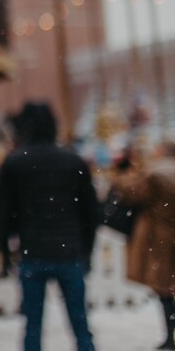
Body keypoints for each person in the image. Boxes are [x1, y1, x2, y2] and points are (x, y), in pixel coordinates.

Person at [0, 102, 99, 351]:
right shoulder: (73, 162)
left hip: (33, 252)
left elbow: (4, 214)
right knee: (80, 324)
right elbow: (90, 212)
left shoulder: (14, 164)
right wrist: (87, 251)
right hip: (70, 251)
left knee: (32, 327)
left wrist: (5, 252)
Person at [112, 140, 175, 349]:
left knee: (166, 290)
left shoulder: (155, 173)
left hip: (160, 239)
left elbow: (131, 193)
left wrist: (121, 172)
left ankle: (170, 336)